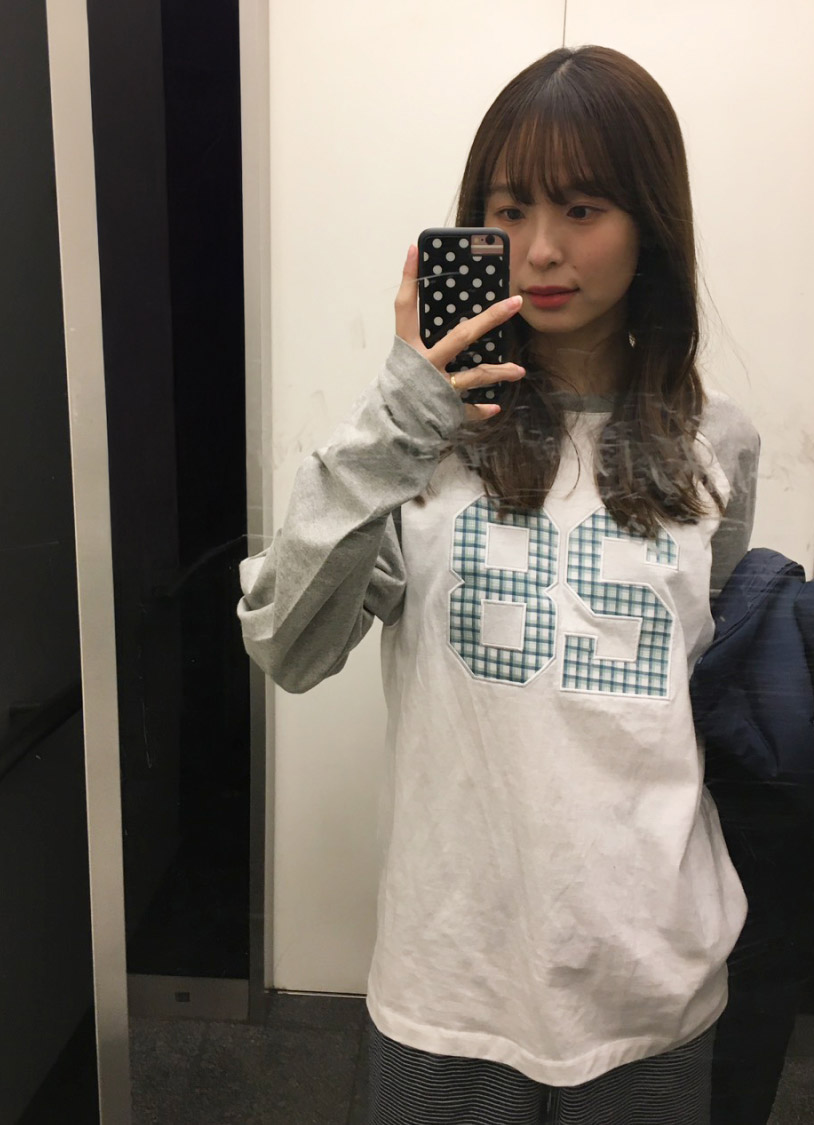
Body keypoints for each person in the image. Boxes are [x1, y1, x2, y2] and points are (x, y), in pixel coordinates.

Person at [238, 45, 761, 1124]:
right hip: (453, 982)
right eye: (509, 210)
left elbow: (692, 688)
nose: (540, 249)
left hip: (651, 978)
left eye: (583, 208)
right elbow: (286, 644)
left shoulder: (717, 444)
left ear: (650, 224)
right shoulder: (414, 445)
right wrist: (401, 417)